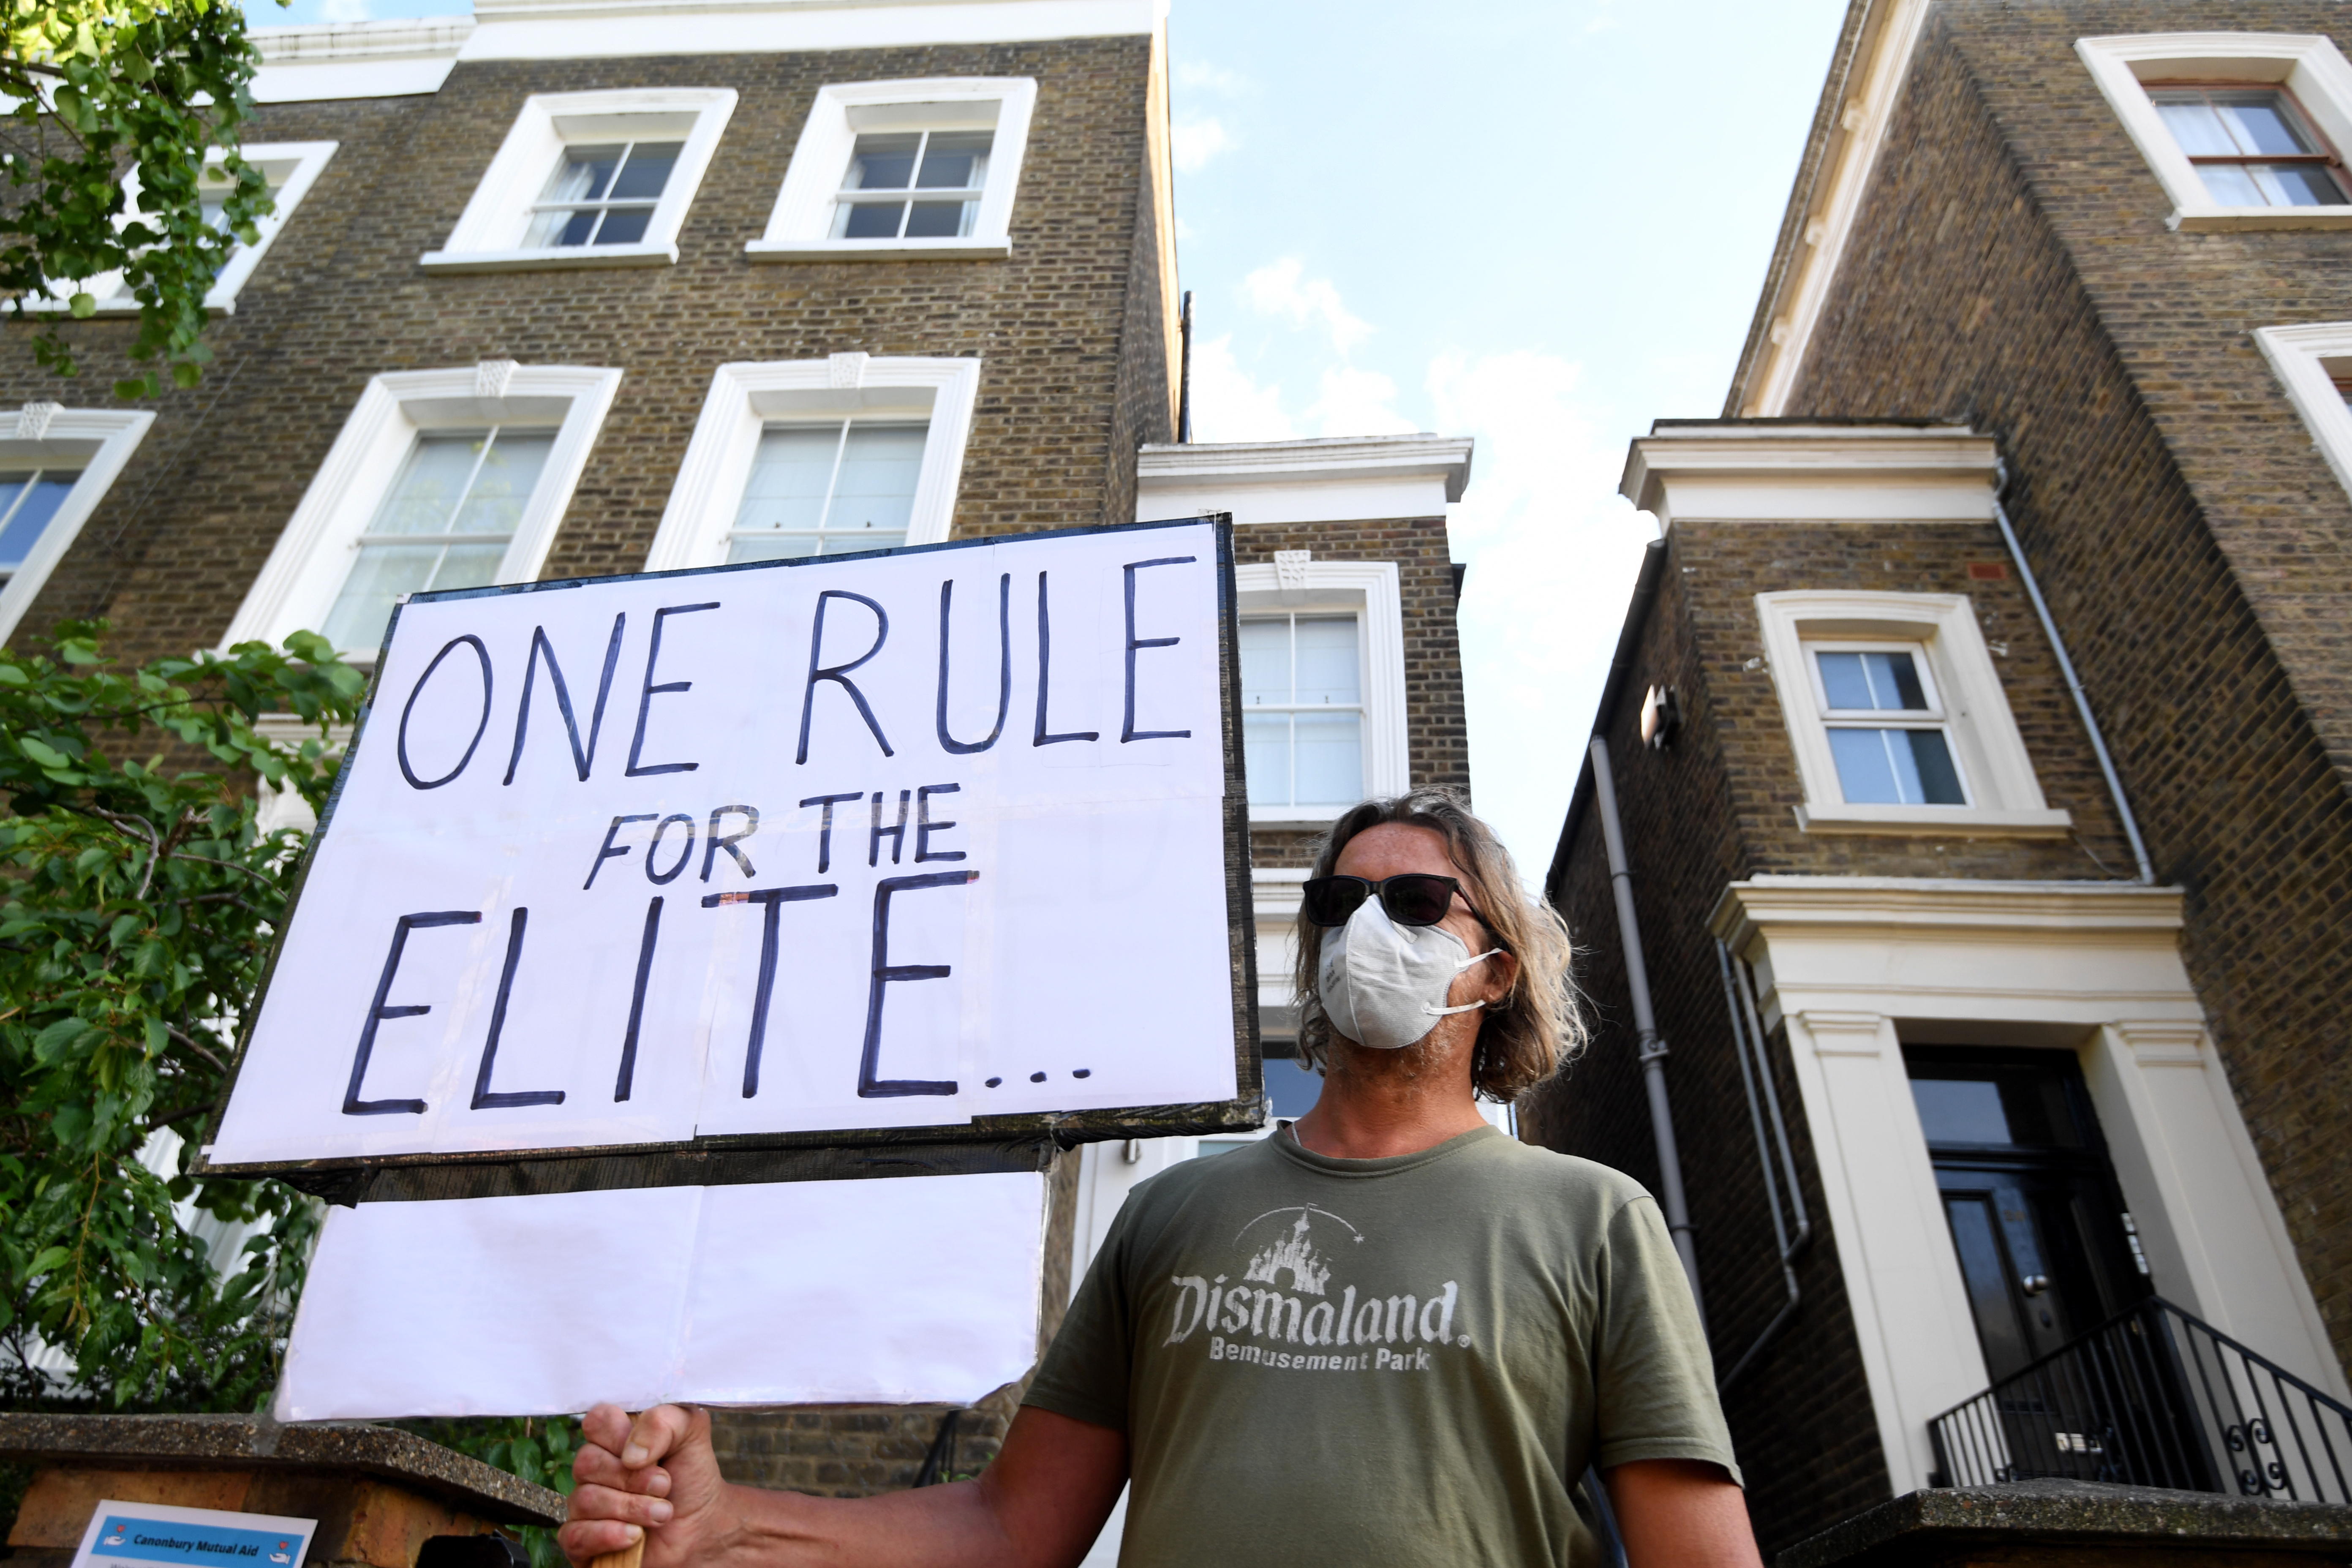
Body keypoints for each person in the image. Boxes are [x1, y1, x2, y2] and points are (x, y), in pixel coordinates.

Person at [561, 788, 1763, 1568]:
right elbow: (1010, 1525)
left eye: (1412, 903)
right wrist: (731, 1525)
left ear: (1497, 967)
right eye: (1340, 904)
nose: (1367, 930)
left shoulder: (1593, 1221)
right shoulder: (1175, 1212)